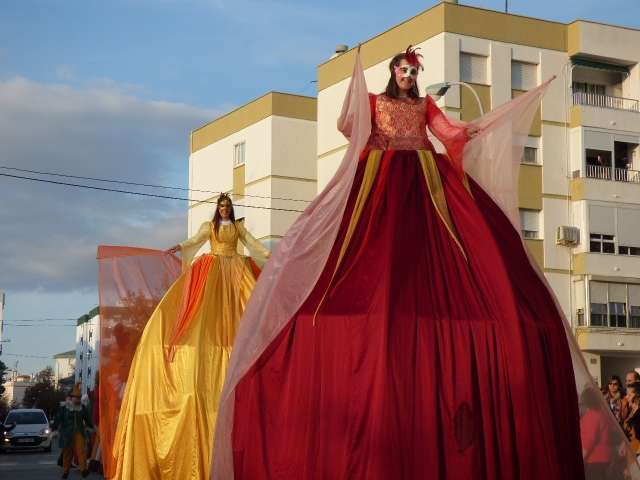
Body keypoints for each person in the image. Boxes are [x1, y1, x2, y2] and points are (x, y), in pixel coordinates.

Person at [213, 47, 586, 479]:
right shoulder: (376, 102)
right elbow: (349, 126)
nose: (408, 75)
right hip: (381, 173)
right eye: (403, 69)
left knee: (457, 247)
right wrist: (356, 107)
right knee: (373, 247)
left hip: (427, 178)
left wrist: (469, 129)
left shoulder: (425, 106)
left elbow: (446, 131)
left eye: (413, 70)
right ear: (393, 71)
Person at [111, 193, 270, 480]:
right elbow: (196, 241)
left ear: (231, 209)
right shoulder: (209, 227)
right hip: (214, 269)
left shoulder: (238, 227)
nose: (224, 209)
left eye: (227, 206)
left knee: (246, 309)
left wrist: (272, 257)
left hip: (235, 270)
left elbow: (253, 244)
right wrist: (180, 246)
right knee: (204, 316)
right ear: (217, 209)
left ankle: (238, 346)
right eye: (221, 206)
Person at [56, 384, 93, 479]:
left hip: (79, 432)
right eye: (76, 397)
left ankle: (83, 470)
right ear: (71, 397)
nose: (78, 399)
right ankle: (66, 471)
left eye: (79, 397)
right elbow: (59, 418)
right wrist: (54, 427)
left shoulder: (82, 408)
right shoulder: (64, 407)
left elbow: (88, 418)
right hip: (67, 433)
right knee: (67, 452)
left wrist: (92, 426)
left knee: (81, 451)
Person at [581, 386, 615, 479]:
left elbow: (588, 441)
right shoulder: (603, 414)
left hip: (595, 460)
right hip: (606, 459)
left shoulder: (591, 416)